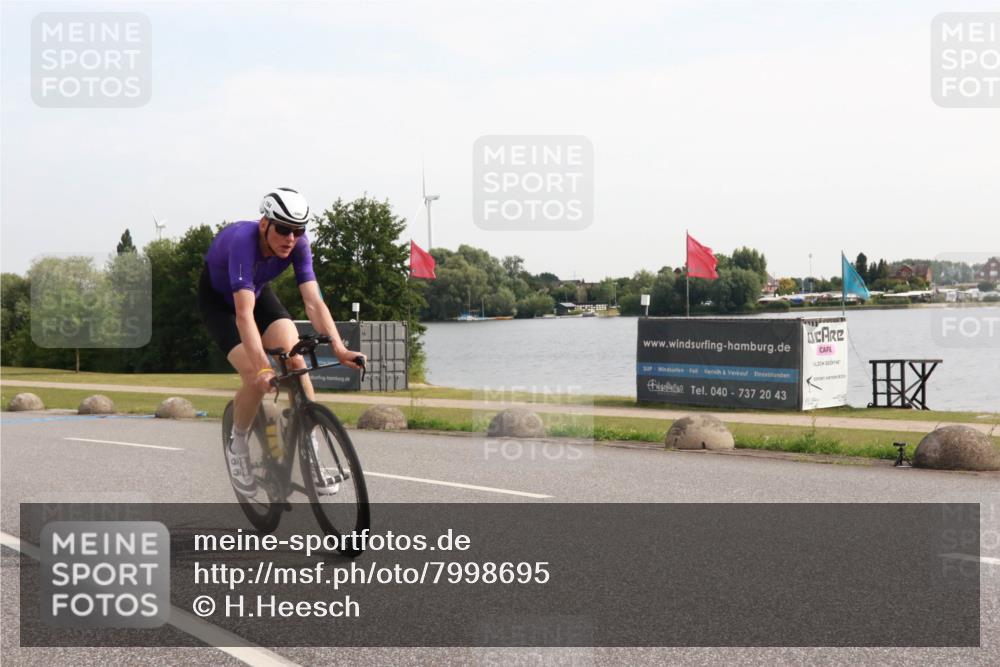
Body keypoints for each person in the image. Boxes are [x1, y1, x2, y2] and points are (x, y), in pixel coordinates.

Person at [198, 187, 364, 497]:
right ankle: (238, 443)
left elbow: (313, 302)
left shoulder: (299, 245)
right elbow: (244, 316)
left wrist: (339, 348)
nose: (291, 238)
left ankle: (309, 447)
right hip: (221, 304)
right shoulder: (243, 242)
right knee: (251, 373)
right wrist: (262, 368)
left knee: (296, 359)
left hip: (258, 293)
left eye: (298, 230)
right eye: (284, 229)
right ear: (265, 224)